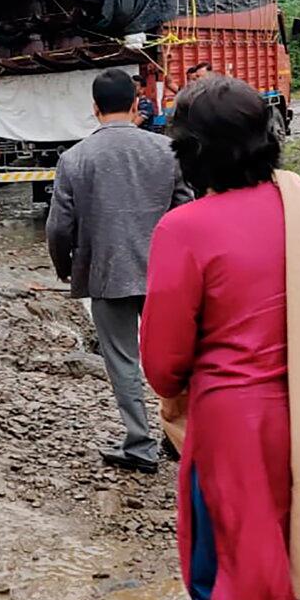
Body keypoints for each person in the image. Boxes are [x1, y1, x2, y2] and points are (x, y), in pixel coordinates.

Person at [139, 76, 300, 600]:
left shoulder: (184, 229)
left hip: (234, 429)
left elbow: (162, 361)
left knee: (225, 574)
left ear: (189, 153)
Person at [46, 68, 193, 474]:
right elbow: (186, 210)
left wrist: (65, 267)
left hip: (107, 274)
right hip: (164, 274)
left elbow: (59, 225)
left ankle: (140, 444)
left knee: (123, 360)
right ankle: (184, 437)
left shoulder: (74, 159)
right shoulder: (167, 151)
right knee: (177, 357)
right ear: (135, 104)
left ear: (94, 109)